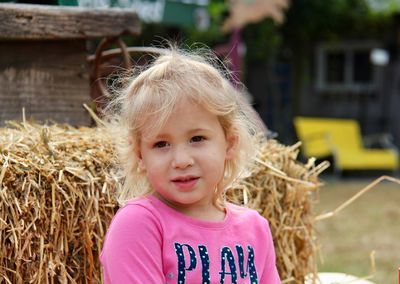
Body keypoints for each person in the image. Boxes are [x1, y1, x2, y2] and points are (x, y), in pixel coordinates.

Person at [100, 46, 281, 284]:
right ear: (140, 156)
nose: (182, 160)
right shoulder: (139, 224)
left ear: (230, 143)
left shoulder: (254, 229)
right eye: (161, 144)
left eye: (197, 139)